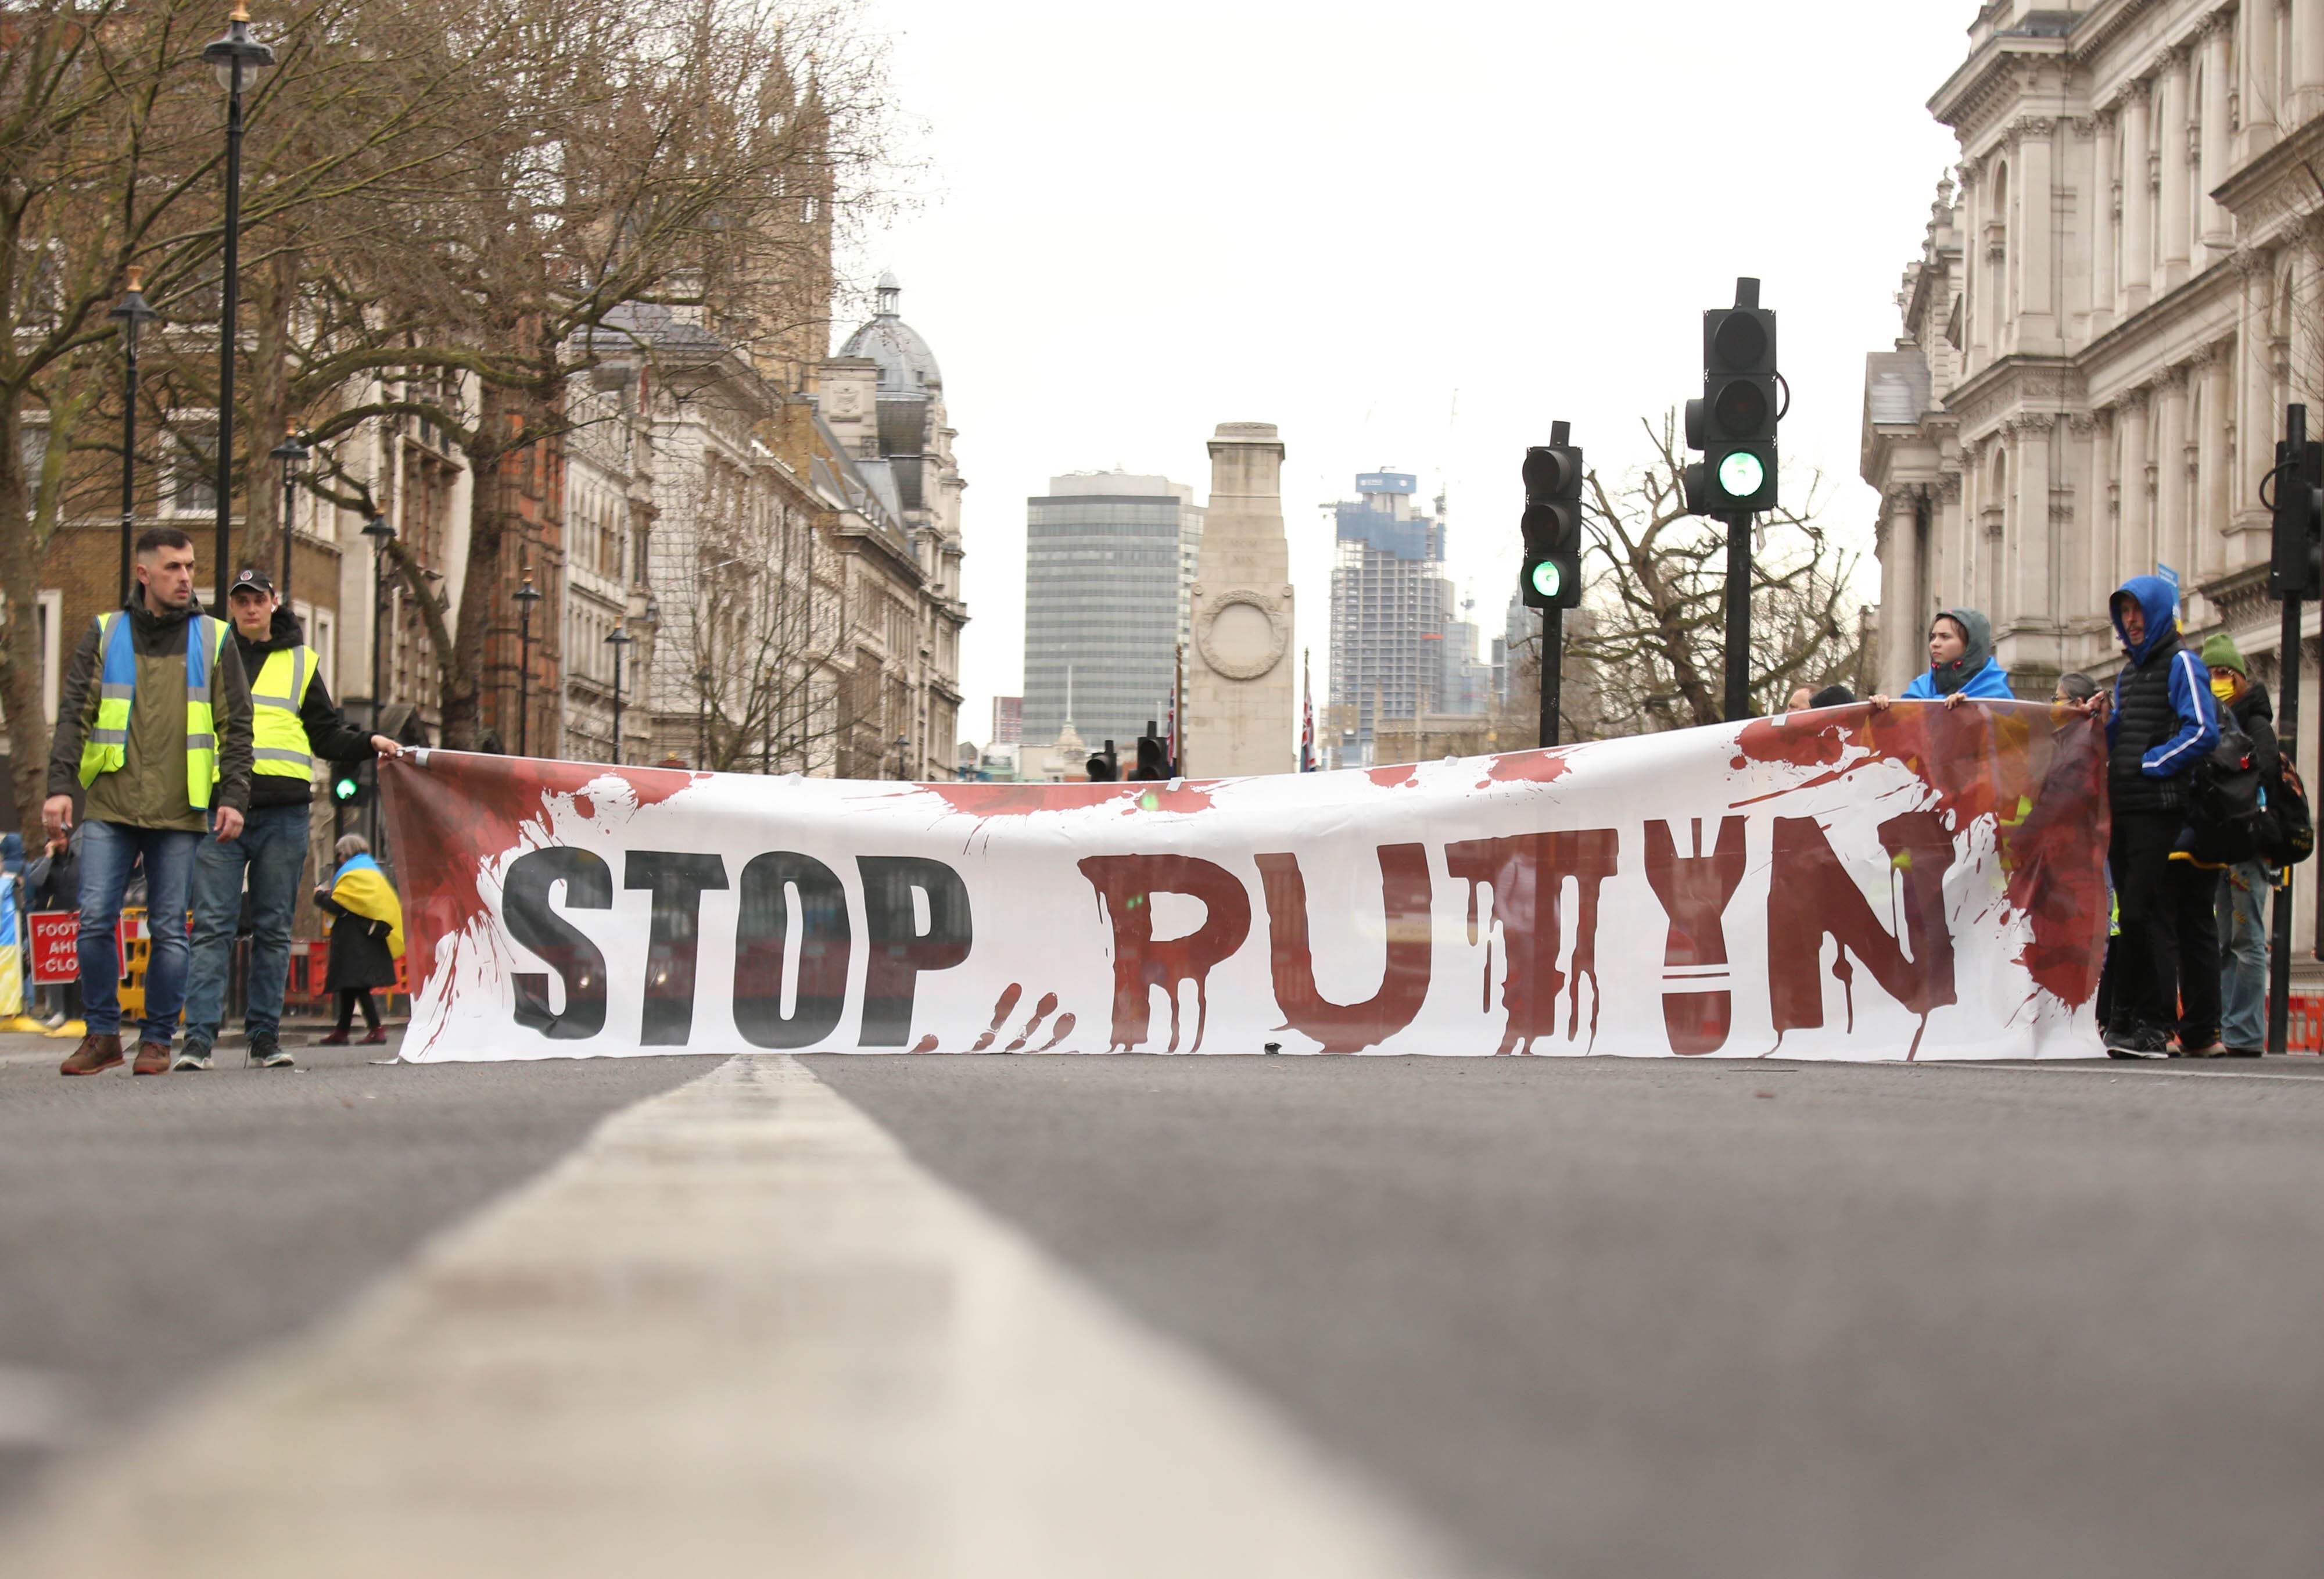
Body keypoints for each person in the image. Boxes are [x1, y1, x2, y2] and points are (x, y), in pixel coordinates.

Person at [44, 528, 253, 1076]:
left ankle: (158, 1038)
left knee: (168, 929)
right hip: (111, 804)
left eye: (189, 566)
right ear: (144, 574)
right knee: (93, 921)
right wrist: (59, 787)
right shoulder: (105, 632)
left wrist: (232, 796)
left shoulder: (214, 637)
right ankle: (103, 1033)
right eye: (173, 568)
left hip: (180, 810)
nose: (186, 576)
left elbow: (238, 727)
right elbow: (74, 714)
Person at [178, 570, 401, 1072]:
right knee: (211, 925)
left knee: (274, 929)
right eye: (241, 601)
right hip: (222, 808)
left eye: (258, 599)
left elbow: (324, 733)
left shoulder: (301, 662)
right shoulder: (213, 654)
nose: (250, 608)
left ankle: (263, 1037)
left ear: (274, 603)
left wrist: (368, 742)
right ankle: (198, 1040)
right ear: (231, 607)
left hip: (284, 812)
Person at [2097, 575, 2221, 1059]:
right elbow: (2120, 734)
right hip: (2123, 805)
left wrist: (2153, 763)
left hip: (2159, 805)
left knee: (2141, 913)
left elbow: (2203, 729)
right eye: (2124, 612)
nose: (2131, 621)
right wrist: (2099, 721)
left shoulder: (2183, 663)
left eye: (2138, 611)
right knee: (2129, 916)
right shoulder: (2127, 675)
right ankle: (2126, 1019)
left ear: (2160, 612)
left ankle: (2152, 1023)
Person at [2202, 632, 2278, 1058]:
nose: (2218, 680)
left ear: (2239, 677)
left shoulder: (2255, 723)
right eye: (2211, 673)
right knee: (2223, 937)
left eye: (2224, 673)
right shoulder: (2213, 722)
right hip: (2221, 842)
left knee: (2246, 938)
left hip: (2246, 841)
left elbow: (2262, 771)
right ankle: (2230, 1025)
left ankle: (2245, 1031)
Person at [314, 834, 402, 1045]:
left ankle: (376, 1029)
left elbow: (339, 907)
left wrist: (319, 896)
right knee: (350, 984)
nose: (339, 858)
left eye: (340, 854)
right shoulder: (373, 872)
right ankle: (342, 1031)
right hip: (369, 938)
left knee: (357, 985)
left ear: (346, 853)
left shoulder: (352, 874)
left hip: (353, 940)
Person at [1870, 608, 2015, 711]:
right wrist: (1882, 710)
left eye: (1945, 637)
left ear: (1971, 645)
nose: (1934, 643)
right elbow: (1904, 735)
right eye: (1933, 637)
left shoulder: (1994, 689)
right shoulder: (1922, 687)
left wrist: (1970, 711)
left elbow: (2011, 743)